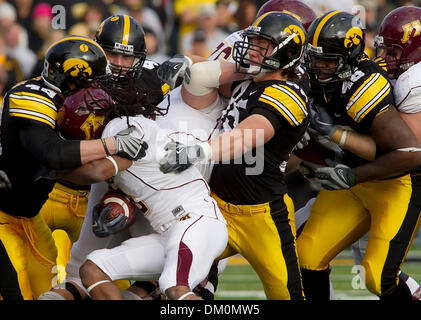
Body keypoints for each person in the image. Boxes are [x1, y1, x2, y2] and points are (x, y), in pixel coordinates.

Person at [159, 12, 309, 300]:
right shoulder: (249, 77)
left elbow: (248, 135)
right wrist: (188, 60)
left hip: (262, 215)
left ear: (286, 53)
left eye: (262, 45)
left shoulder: (288, 93)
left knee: (287, 296)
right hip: (214, 206)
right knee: (172, 279)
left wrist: (199, 151)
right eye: (252, 41)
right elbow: (209, 71)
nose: (252, 49)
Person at [0, 36, 147, 300]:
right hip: (2, 214)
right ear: (70, 80)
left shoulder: (71, 104)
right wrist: (112, 144)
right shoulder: (31, 97)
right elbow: (53, 154)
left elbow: (76, 167)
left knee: (48, 293)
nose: (97, 90)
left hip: (30, 216)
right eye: (92, 82)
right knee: (14, 291)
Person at [295, 11, 421, 300]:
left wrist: (350, 171)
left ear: (348, 58)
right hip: (354, 176)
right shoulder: (316, 73)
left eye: (327, 60)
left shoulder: (364, 87)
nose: (318, 66)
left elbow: (409, 153)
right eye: (314, 57)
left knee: (377, 276)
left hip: (396, 182)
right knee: (306, 256)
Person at [76, 111, 228, 300]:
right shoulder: (130, 129)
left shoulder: (125, 125)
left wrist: (54, 168)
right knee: (93, 268)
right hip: (167, 234)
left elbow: (97, 172)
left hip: (196, 221)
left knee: (174, 286)